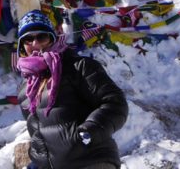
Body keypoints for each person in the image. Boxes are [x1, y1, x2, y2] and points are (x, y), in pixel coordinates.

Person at [16, 10, 128, 168]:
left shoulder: (79, 67)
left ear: (52, 38)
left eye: (41, 36)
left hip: (91, 160)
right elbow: (39, 131)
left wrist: (89, 132)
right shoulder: (25, 90)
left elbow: (115, 103)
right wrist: (38, 158)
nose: (35, 44)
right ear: (22, 45)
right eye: (28, 39)